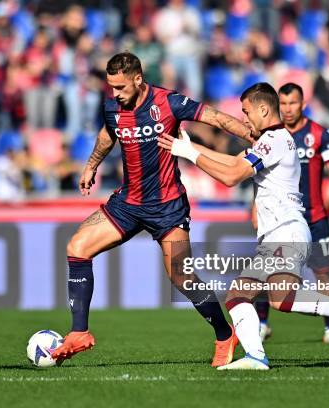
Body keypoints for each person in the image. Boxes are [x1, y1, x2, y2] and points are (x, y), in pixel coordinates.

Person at [158, 83, 329, 370]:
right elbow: (235, 162)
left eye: (247, 112)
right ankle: (256, 357)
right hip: (278, 234)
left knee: (283, 299)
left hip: (287, 231)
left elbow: (232, 176)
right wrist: (190, 147)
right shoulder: (273, 140)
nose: (244, 119)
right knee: (238, 296)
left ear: (263, 109)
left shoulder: (272, 140)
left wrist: (189, 154)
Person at [51, 52, 256, 367]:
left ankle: (224, 333)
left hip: (168, 207)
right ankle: (80, 332)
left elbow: (214, 117)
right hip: (128, 203)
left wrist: (251, 134)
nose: (115, 94)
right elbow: (108, 135)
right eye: (111, 87)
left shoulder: (168, 102)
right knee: (77, 247)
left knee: (181, 276)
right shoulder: (112, 107)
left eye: (120, 87)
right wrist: (91, 165)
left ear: (137, 79)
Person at [253, 82, 329, 345]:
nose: (287, 109)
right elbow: (259, 175)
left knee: (323, 273)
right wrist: (254, 207)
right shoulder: (270, 135)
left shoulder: (319, 134)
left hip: (315, 217)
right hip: (280, 219)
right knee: (266, 272)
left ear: (303, 104)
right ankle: (262, 324)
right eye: (282, 104)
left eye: (292, 103)